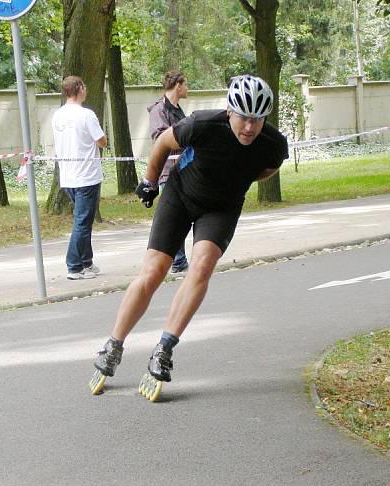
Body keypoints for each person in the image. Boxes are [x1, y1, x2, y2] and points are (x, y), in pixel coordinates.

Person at [90, 75, 288, 400]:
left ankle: (164, 348)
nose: (250, 127)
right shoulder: (202, 124)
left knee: (202, 267)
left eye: (258, 119)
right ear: (229, 111)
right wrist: (150, 181)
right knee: (153, 272)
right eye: (243, 117)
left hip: (221, 208)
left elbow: (268, 168)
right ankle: (114, 344)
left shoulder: (273, 144)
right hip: (180, 196)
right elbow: (162, 144)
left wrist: (239, 178)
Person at [51, 75, 108, 280]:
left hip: (68, 176)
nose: (86, 90)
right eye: (84, 87)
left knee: (83, 220)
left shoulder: (57, 116)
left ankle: (86, 261)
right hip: (87, 176)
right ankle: (74, 266)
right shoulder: (86, 115)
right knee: (82, 222)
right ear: (79, 89)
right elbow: (101, 141)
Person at [148, 70, 190, 273]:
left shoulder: (178, 110)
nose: (187, 88)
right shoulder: (159, 110)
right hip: (167, 171)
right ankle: (176, 261)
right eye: (186, 84)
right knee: (171, 217)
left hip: (184, 169)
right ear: (178, 85)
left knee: (182, 215)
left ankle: (179, 261)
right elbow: (161, 138)